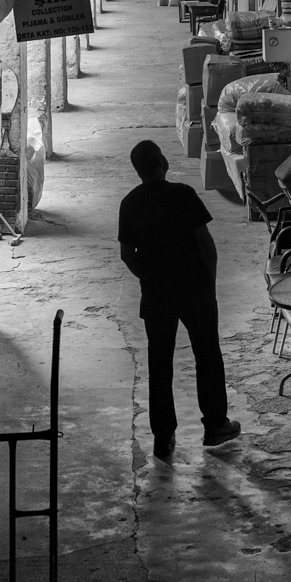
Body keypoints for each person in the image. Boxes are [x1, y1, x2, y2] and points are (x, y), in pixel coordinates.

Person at [118, 139, 241, 459]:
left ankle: (163, 436)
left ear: (138, 170)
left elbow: (126, 254)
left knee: (159, 363)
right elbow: (206, 244)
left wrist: (148, 276)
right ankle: (215, 425)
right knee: (207, 355)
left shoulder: (129, 203)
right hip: (194, 288)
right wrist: (210, 283)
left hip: (156, 294)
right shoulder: (183, 194)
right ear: (163, 162)